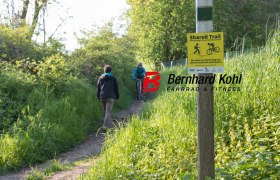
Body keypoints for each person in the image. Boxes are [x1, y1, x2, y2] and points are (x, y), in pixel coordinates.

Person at [97, 65, 119, 129]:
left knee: (105, 111)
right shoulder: (113, 78)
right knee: (108, 112)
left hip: (102, 96)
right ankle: (105, 126)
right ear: (111, 71)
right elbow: (116, 88)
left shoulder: (100, 77)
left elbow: (98, 88)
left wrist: (98, 96)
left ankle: (107, 124)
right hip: (110, 97)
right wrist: (117, 97)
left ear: (104, 70)